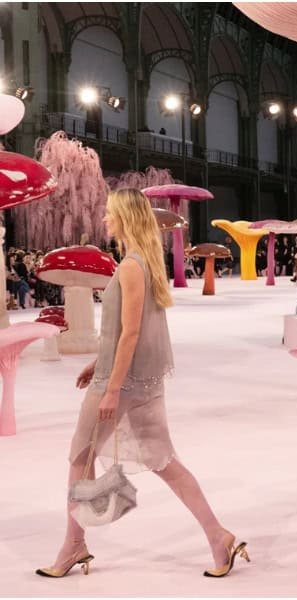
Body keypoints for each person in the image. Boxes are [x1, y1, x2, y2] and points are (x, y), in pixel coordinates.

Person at [37, 189, 246, 579]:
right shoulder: (141, 263)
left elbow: (131, 333)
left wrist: (111, 385)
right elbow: (123, 332)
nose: (104, 219)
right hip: (140, 382)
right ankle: (218, 537)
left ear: (126, 218)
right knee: (164, 462)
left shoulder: (132, 267)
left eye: (110, 213)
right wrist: (99, 359)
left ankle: (73, 545)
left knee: (79, 458)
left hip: (120, 383)